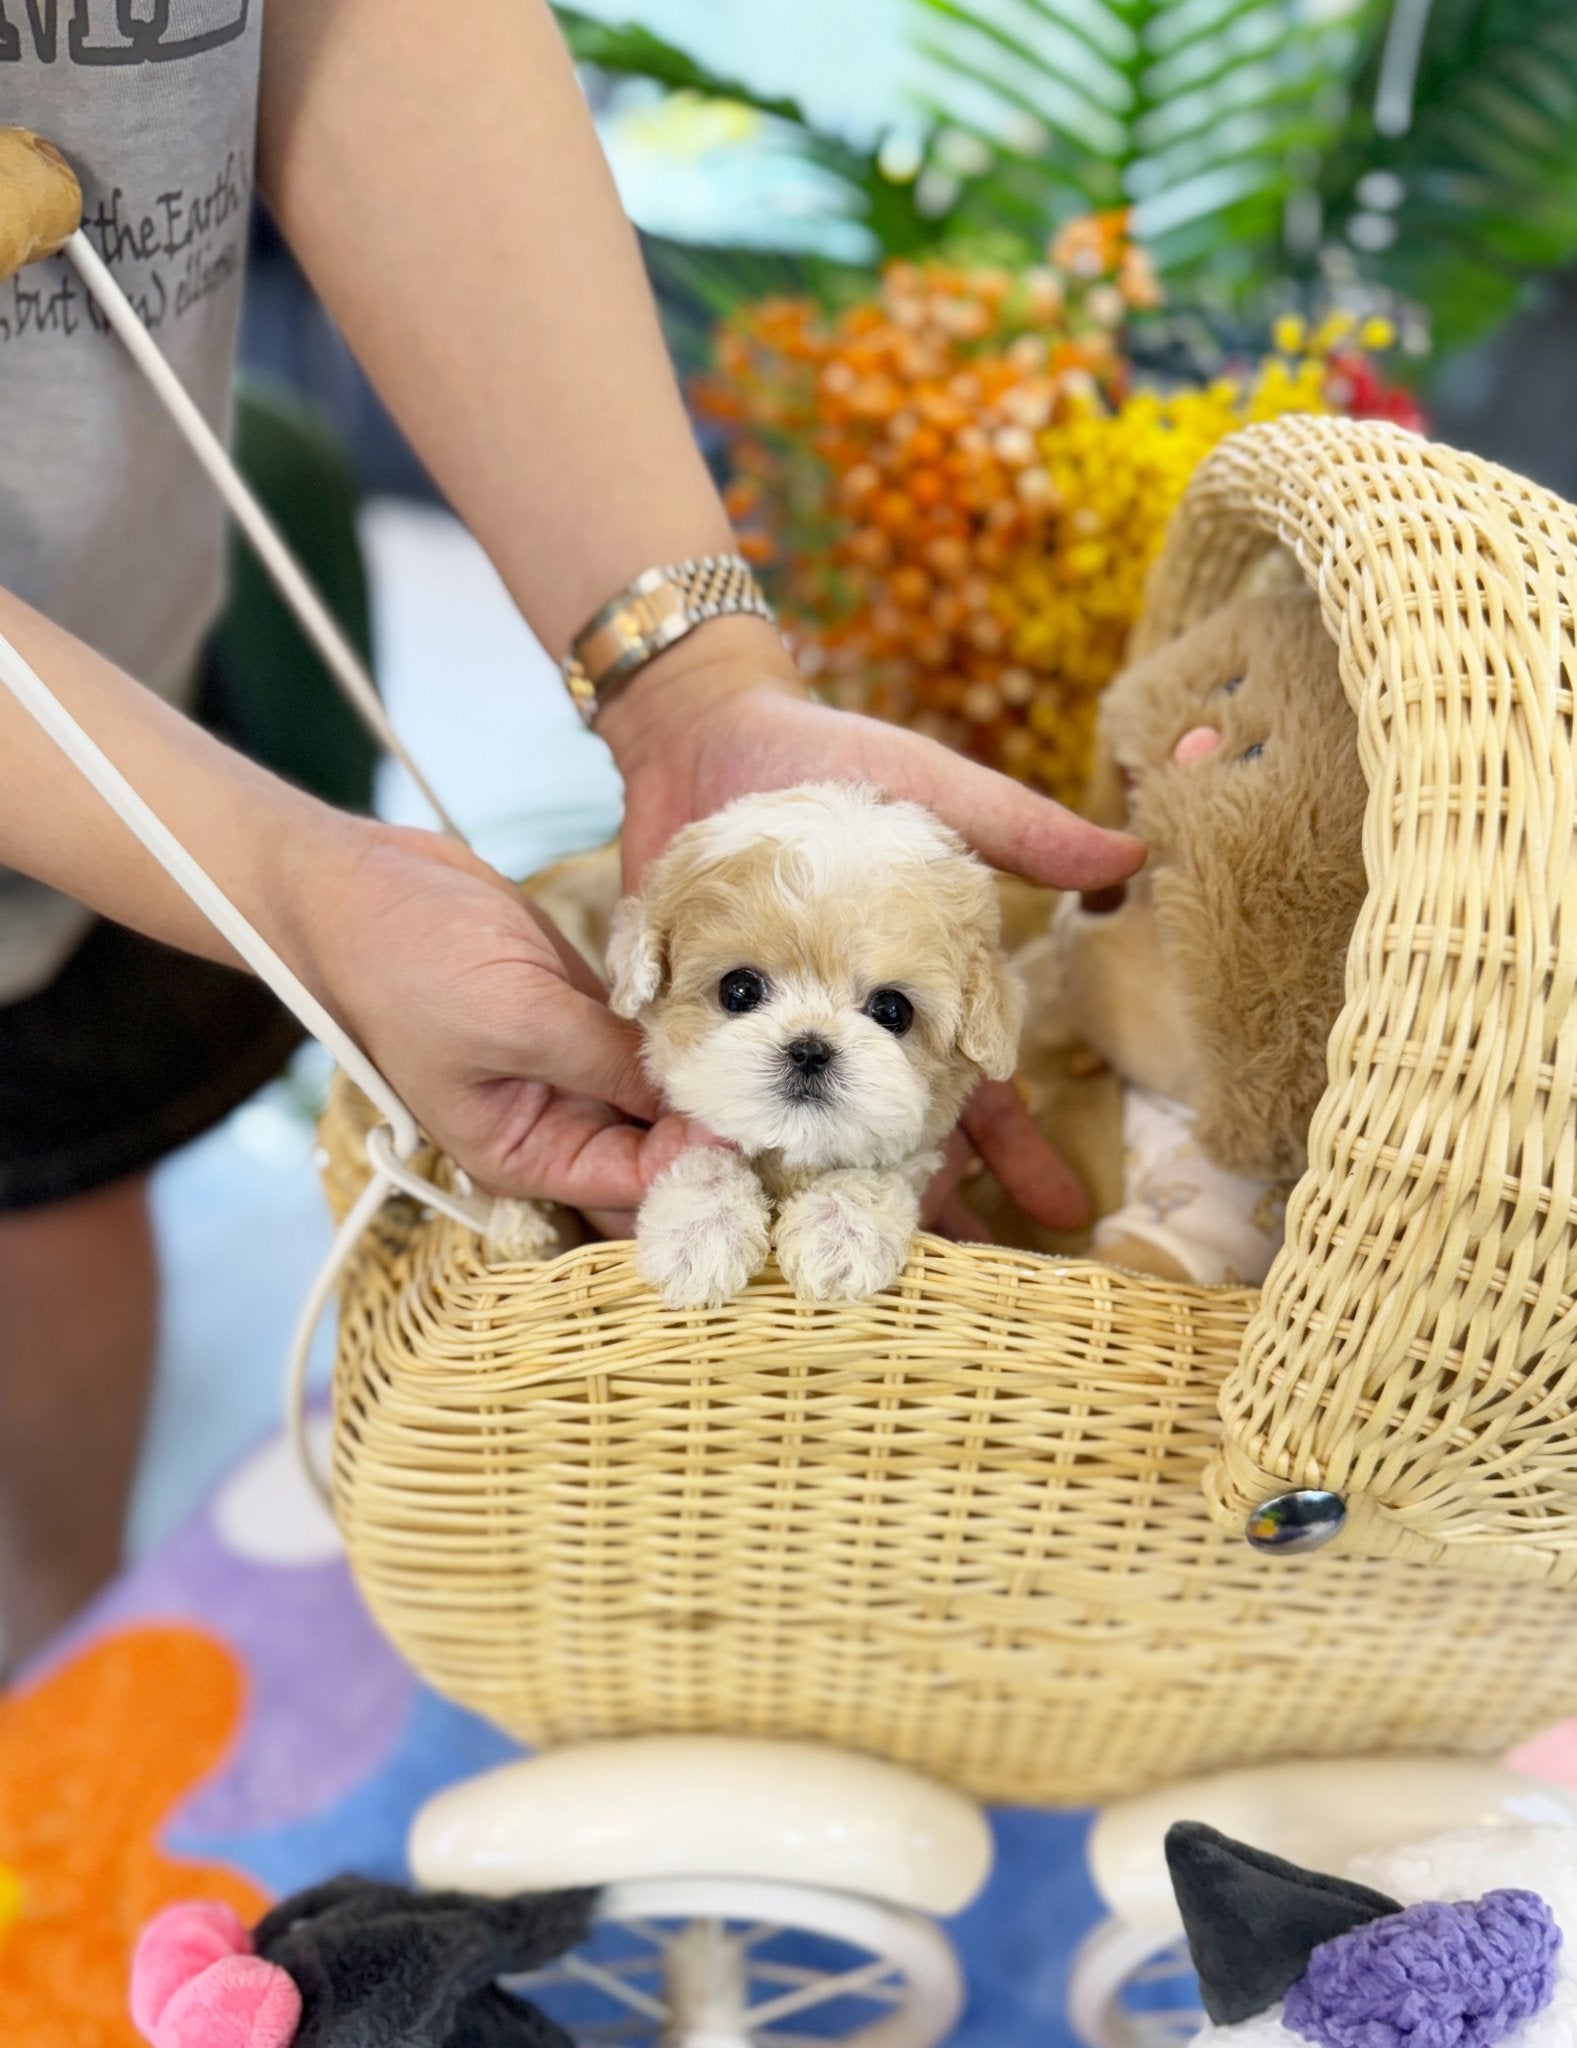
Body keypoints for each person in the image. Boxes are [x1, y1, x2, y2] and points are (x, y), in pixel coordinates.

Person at [0, 0, 1141, 1666]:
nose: (816, 1045)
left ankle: (55, 1662)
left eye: (888, 1010)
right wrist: (302, 890)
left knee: (64, 1171)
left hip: (126, 622)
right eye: (744, 993)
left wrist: (691, 684)